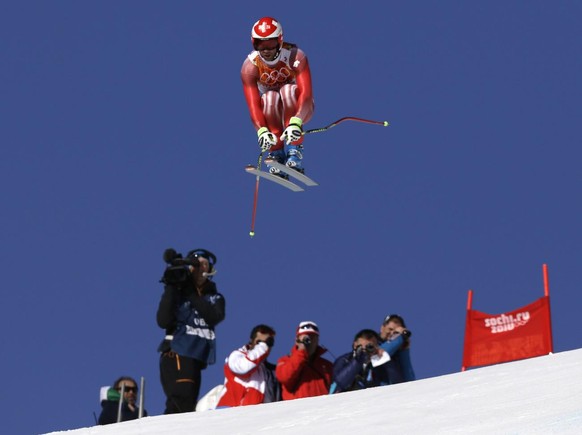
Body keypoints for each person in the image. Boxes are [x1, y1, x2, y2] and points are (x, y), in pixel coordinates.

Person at [242, 16, 315, 177]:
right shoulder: (250, 67)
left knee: (287, 90)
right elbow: (253, 105)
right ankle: (277, 152)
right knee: (269, 97)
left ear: (280, 41)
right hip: (273, 111)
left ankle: (294, 150)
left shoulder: (295, 56)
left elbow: (307, 94)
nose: (266, 50)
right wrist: (261, 131)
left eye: (270, 44)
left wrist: (296, 122)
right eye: (260, 45)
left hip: (300, 108)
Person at [156, 248, 226, 413]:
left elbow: (213, 316)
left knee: (187, 405)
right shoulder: (179, 294)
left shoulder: (214, 298)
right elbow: (163, 320)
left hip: (196, 357)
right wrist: (172, 286)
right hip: (178, 352)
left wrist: (191, 293)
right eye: (196, 264)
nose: (200, 267)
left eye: (204, 264)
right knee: (182, 400)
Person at [216, 324, 280, 407]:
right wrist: (263, 346)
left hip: (257, 416)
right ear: (251, 341)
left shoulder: (270, 371)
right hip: (233, 413)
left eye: (269, 343)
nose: (264, 346)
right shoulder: (236, 356)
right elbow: (244, 368)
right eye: (259, 342)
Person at [275, 321, 333, 400]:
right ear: (297, 340)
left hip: (322, 409)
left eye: (313, 338)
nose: (309, 342)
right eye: (305, 338)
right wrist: (301, 352)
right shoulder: (285, 360)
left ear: (317, 341)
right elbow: (284, 377)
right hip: (298, 410)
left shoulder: (326, 366)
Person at [331, 329, 392, 393]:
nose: (366, 351)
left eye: (370, 347)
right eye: (361, 347)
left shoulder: (379, 365)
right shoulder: (344, 360)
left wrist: (385, 359)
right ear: (355, 345)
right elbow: (339, 382)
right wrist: (357, 361)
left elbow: (396, 384)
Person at [379, 314, 416, 382]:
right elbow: (379, 356)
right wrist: (398, 338)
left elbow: (409, 381)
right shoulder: (372, 344)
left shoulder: (397, 353)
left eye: (396, 332)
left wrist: (404, 351)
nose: (392, 333)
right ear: (382, 328)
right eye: (390, 329)